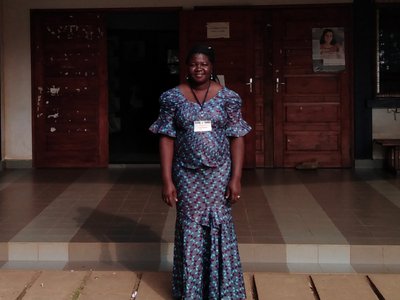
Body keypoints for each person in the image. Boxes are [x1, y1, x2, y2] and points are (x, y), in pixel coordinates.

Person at [149, 44, 251, 299]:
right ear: (187, 67)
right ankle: (192, 291)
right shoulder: (172, 97)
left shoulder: (229, 98)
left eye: (204, 64)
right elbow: (166, 138)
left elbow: (237, 137)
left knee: (219, 226)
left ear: (212, 67)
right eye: (194, 63)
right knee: (190, 227)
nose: (199, 68)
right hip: (186, 173)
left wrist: (236, 178)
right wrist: (167, 180)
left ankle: (222, 290)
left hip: (219, 174)